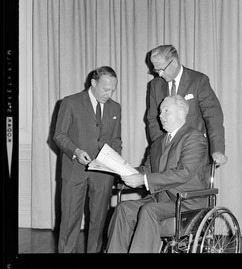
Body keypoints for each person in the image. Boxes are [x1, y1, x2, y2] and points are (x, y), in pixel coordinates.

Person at [106, 95, 210, 253]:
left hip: (186, 201)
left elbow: (184, 173)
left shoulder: (194, 137)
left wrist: (144, 179)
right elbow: (147, 170)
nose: (160, 116)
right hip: (159, 199)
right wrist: (123, 172)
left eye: (166, 111)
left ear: (181, 113)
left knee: (149, 210)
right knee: (123, 208)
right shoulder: (157, 143)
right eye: (160, 112)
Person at [54, 66, 122, 253]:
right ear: (93, 83)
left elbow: (116, 140)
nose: (109, 94)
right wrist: (76, 151)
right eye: (105, 89)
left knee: (98, 221)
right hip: (75, 170)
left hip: (103, 173)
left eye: (112, 90)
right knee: (69, 220)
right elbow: (59, 135)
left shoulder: (115, 107)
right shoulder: (70, 102)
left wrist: (114, 160)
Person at [148, 44, 227, 166]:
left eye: (162, 69)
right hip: (166, 157)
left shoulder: (199, 80)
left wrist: (217, 149)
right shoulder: (155, 85)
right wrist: (161, 149)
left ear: (174, 62)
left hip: (195, 153)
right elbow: (152, 119)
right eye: (156, 70)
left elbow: (213, 115)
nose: (159, 74)